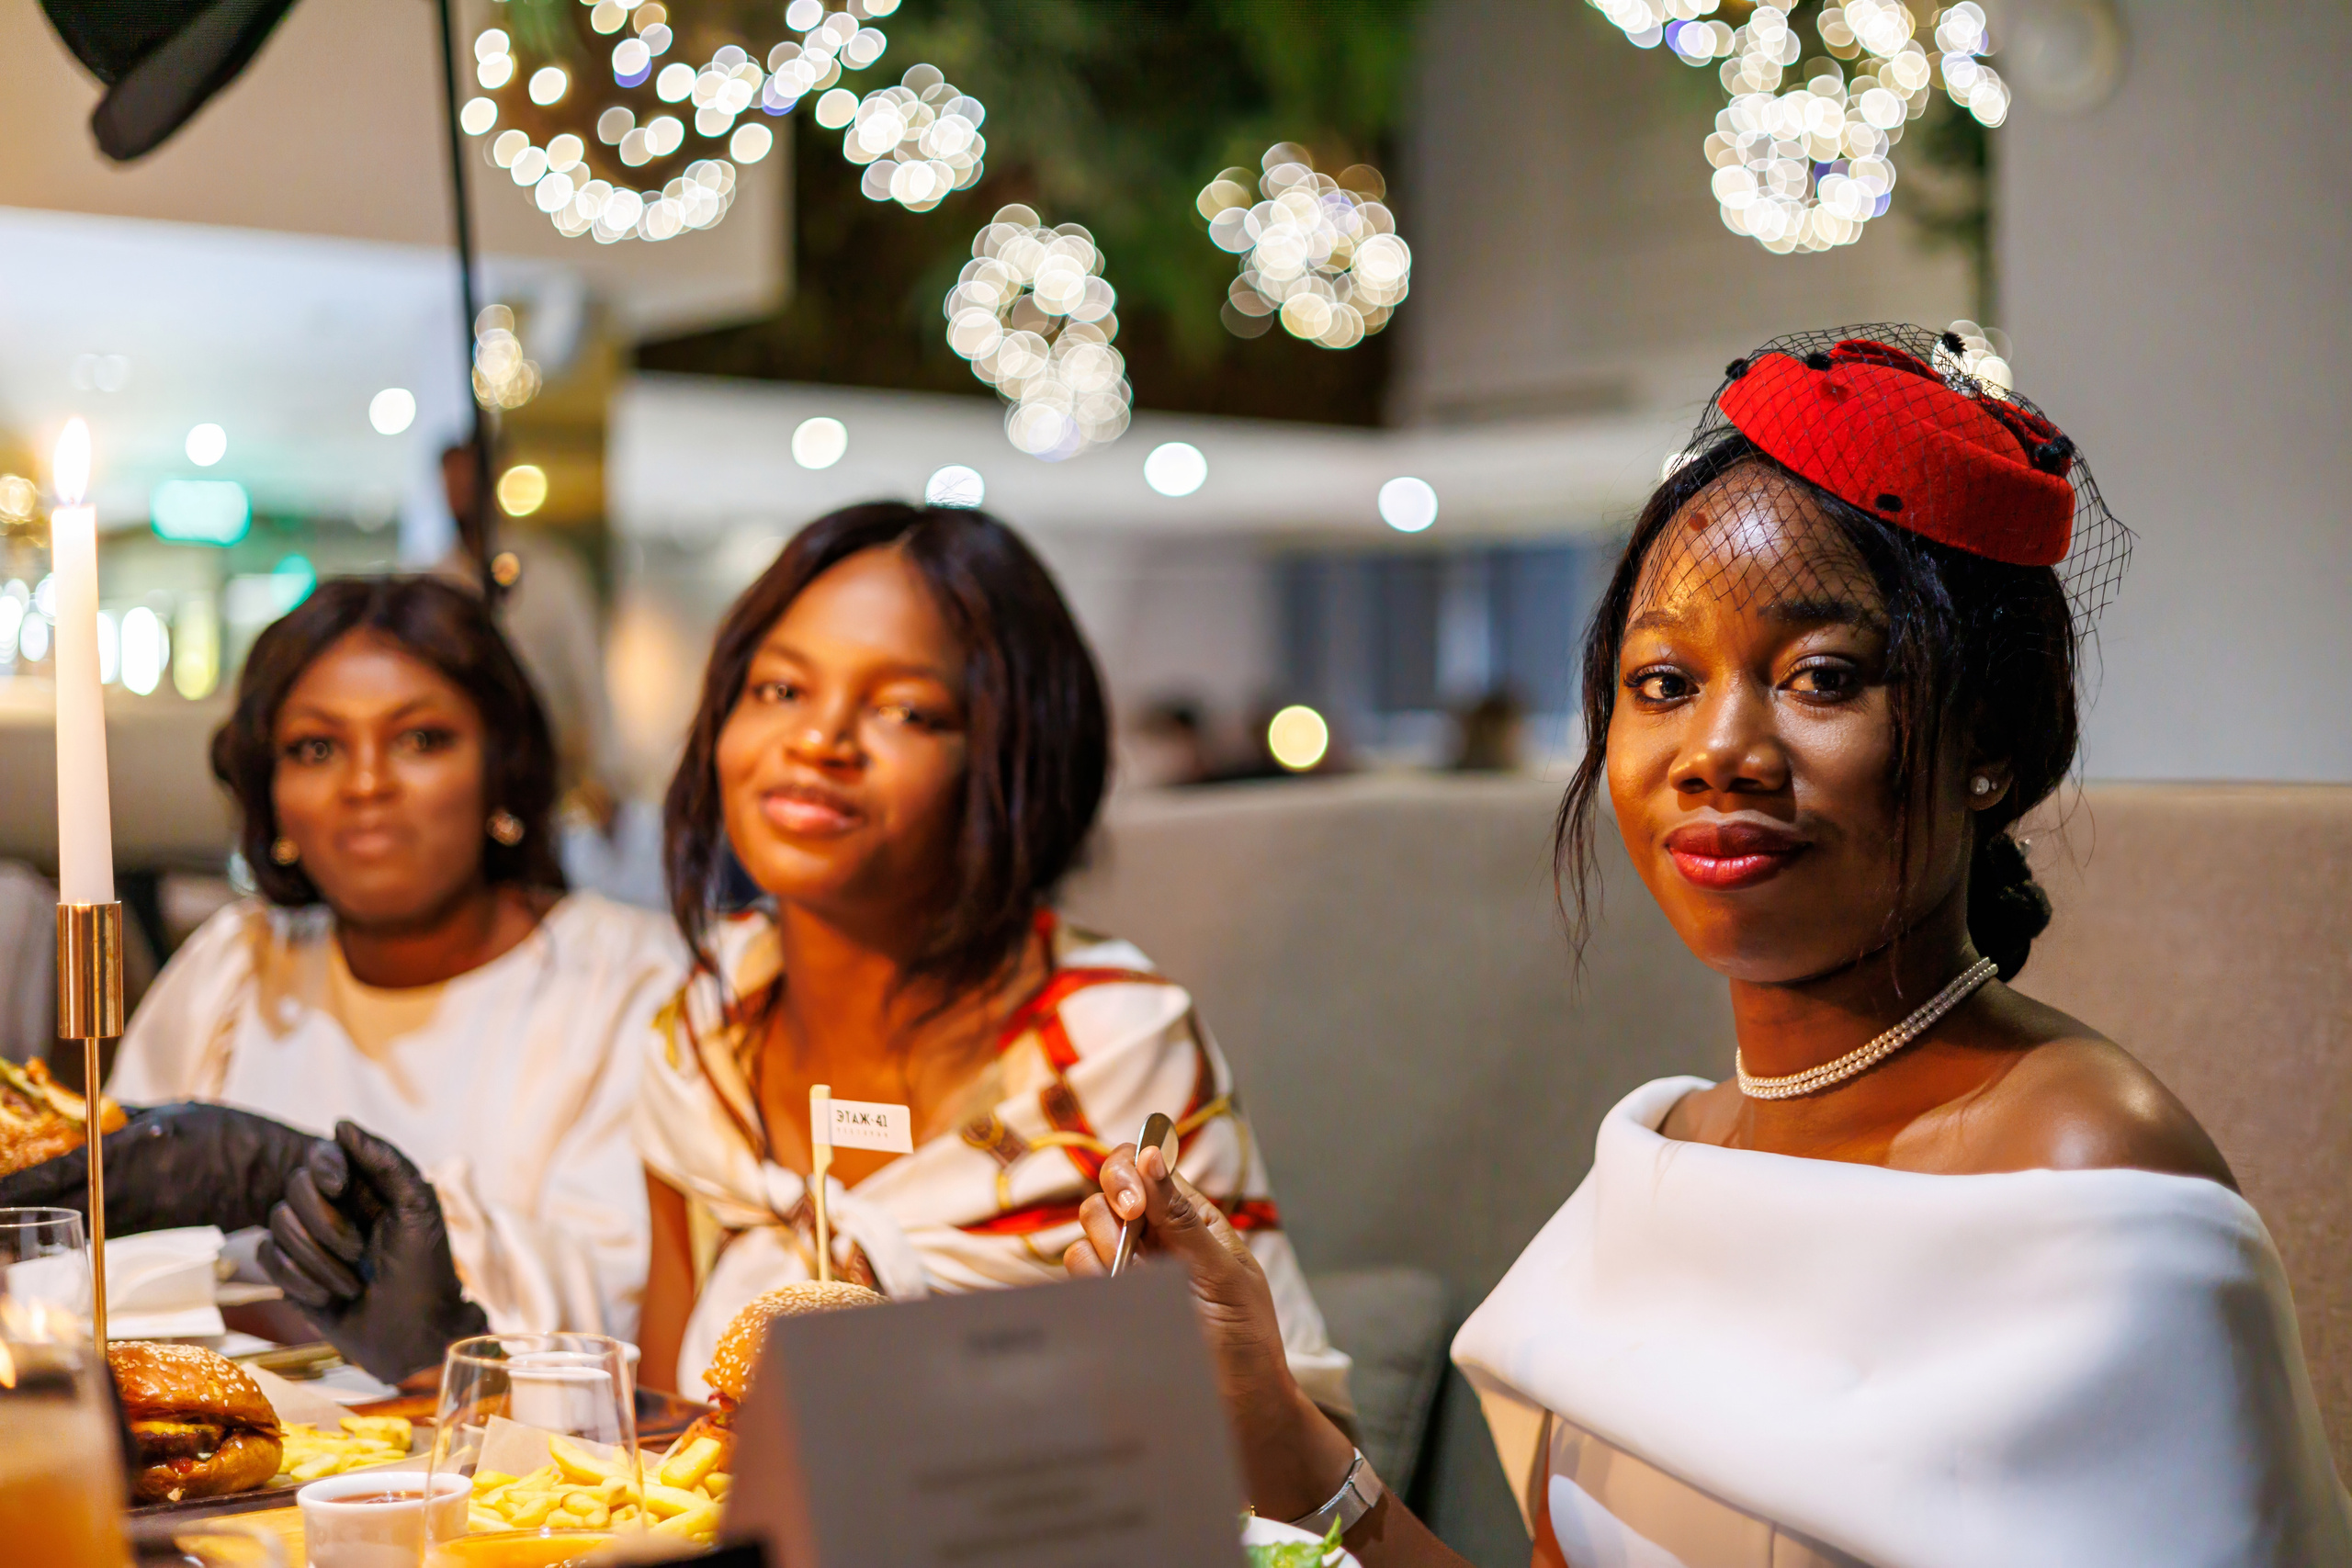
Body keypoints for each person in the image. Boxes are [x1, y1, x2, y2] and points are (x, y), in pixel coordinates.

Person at [1069, 327, 2351, 1566]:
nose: (1719, 750)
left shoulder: (2083, 1174)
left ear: (1994, 742)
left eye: (1825, 676)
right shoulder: (1671, 1153)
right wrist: (1281, 1439)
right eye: (1664, 681)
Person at [631, 501, 1351, 1420]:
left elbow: (1285, 1439)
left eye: (905, 710)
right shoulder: (704, 1026)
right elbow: (659, 1431)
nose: (818, 741)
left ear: (1010, 758)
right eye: (779, 690)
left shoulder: (1109, 1044)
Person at [91, 577, 679, 1375]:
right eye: (316, 748)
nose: (366, 783)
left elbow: (610, 1309)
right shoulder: (236, 967)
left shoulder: (627, 979)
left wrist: (280, 1181)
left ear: (502, 769)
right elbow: (103, 1263)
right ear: (271, 792)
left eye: (421, 739)